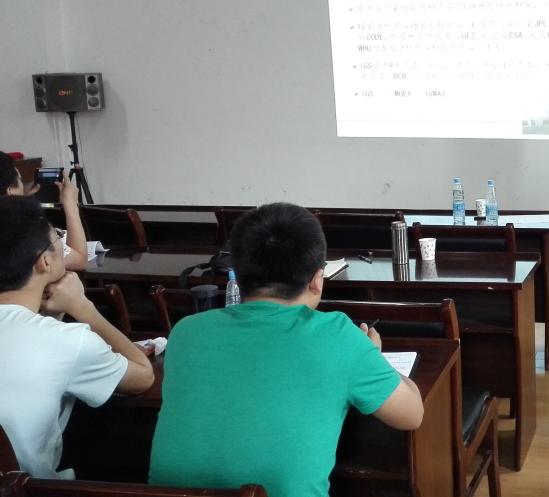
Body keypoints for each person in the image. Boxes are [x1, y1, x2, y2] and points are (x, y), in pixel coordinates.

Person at [149, 202, 424, 497]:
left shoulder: (186, 331)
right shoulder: (338, 336)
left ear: (237, 274)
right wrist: (372, 355)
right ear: (317, 279)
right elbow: (412, 414)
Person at [0, 195, 154, 478]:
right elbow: (143, 377)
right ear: (44, 261)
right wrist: (82, 307)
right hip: (34, 490)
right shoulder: (68, 342)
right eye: (58, 237)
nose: (63, 243)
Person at [0, 152, 89, 270]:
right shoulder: (23, 231)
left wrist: (20, 200)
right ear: (10, 190)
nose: (23, 186)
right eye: (20, 180)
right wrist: (70, 204)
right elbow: (80, 260)